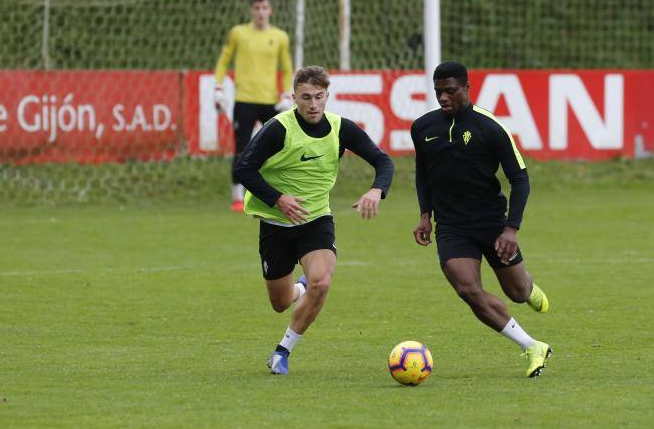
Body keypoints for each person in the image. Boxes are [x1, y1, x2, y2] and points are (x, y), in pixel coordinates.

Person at [236, 65, 394, 376]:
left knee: (321, 282)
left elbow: (382, 160)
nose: (312, 104)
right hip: (275, 224)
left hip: (316, 221)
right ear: (293, 97)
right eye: (305, 97)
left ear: (327, 96)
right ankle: (298, 288)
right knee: (280, 302)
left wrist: (377, 190)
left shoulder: (340, 128)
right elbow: (243, 169)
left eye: (319, 97)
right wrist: (278, 198)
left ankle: (283, 351)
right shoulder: (278, 128)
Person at [410, 61, 553, 378]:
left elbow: (520, 179)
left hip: (492, 224)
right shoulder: (422, 128)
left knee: (516, 291)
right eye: (438, 92)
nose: (443, 98)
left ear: (466, 87)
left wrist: (511, 229)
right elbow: (423, 173)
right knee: (467, 289)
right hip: (452, 227)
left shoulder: (490, 127)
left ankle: (528, 289)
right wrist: (425, 215)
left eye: (450, 91)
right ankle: (531, 345)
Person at [214, 0, 294, 212]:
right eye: (257, 8)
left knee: (279, 147)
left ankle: (279, 191)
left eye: (264, 8)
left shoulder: (280, 36)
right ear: (252, 10)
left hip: (270, 102)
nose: (260, 12)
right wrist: (218, 87)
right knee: (241, 148)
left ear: (271, 10)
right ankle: (237, 196)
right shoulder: (239, 33)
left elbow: (286, 67)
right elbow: (223, 60)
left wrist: (287, 93)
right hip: (244, 100)